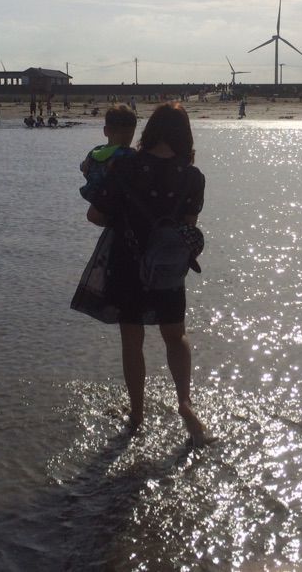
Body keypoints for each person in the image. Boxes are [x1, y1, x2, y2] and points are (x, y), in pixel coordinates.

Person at [86, 102, 211, 446]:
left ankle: (137, 415)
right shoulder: (193, 177)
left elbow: (95, 215)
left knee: (132, 340)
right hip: (167, 268)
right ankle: (184, 403)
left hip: (128, 263)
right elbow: (187, 227)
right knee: (176, 336)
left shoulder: (126, 167)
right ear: (185, 136)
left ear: (150, 130)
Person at [80, 104, 137, 203]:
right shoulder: (128, 154)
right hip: (112, 199)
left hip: (92, 195)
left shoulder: (94, 152)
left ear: (106, 131)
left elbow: (83, 167)